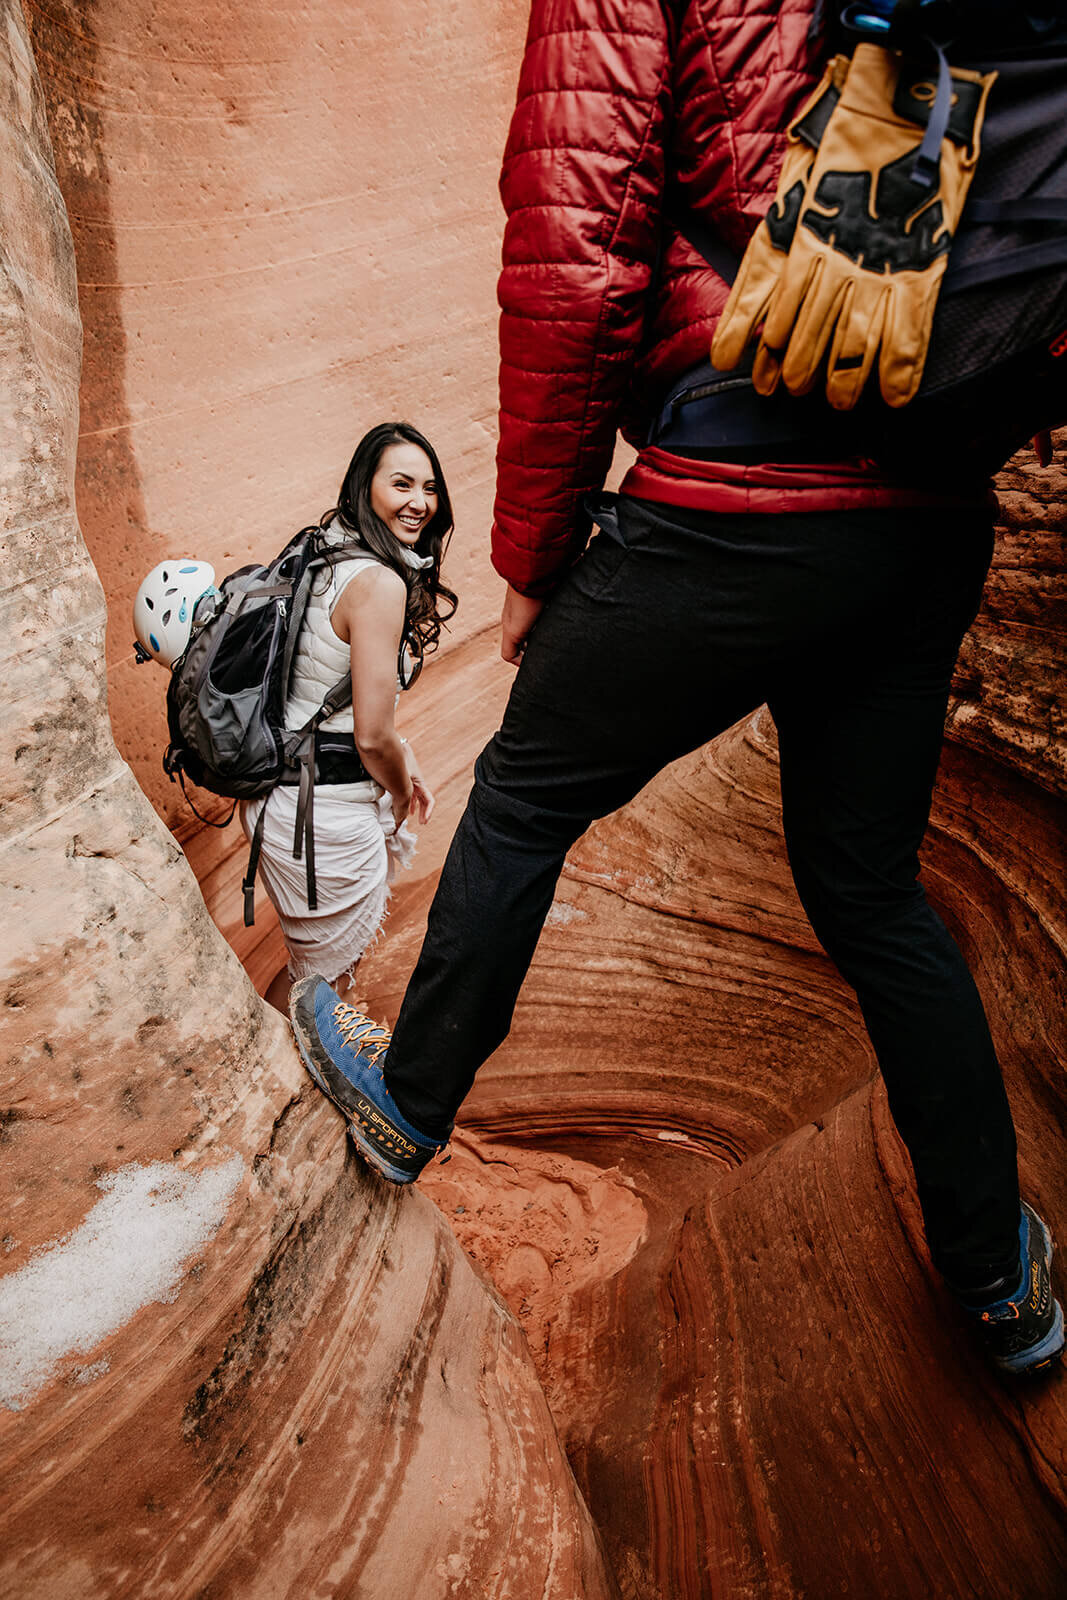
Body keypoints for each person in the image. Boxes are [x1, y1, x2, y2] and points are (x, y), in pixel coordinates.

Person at [287, 2, 1063, 1375]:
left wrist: (530, 546)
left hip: (729, 496)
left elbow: (573, 253)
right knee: (868, 892)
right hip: (923, 517)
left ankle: (404, 1101)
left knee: (525, 789)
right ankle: (999, 1282)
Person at [245, 421, 456, 1013]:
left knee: (308, 975)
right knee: (323, 991)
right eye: (403, 484)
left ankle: (272, 1067)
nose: (420, 502)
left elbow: (322, 689)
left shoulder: (324, 546)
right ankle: (293, 1090)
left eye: (431, 488)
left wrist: (402, 753)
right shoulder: (380, 584)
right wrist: (397, 794)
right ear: (366, 486)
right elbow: (370, 735)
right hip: (323, 818)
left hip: (280, 800)